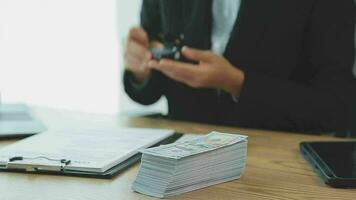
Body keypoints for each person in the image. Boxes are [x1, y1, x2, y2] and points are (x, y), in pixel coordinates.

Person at [123, 0, 356, 135]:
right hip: (182, 154)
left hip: (276, 161)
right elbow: (151, 88)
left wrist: (238, 83)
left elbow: (336, 108)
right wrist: (141, 69)